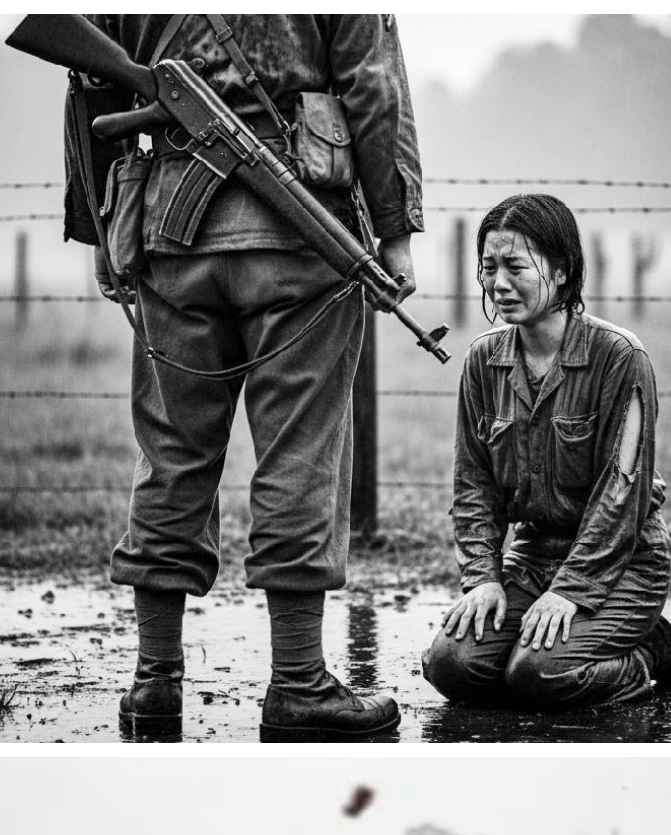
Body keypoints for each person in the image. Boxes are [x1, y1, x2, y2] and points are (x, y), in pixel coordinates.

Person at [65, 17, 423, 740]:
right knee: (299, 453)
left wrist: (98, 227)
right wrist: (395, 231)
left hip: (169, 235)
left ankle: (154, 683)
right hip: (301, 241)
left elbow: (85, 94)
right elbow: (373, 86)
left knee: (172, 453)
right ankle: (297, 684)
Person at [422, 193, 671, 712]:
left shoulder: (619, 359)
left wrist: (572, 591)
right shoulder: (482, 361)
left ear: (562, 271)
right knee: (452, 666)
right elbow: (473, 483)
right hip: (532, 558)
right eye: (488, 268)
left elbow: (622, 495)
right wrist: (482, 579)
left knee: (539, 674)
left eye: (516, 267)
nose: (498, 283)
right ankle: (550, 651)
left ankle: (647, 655)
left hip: (622, 564)